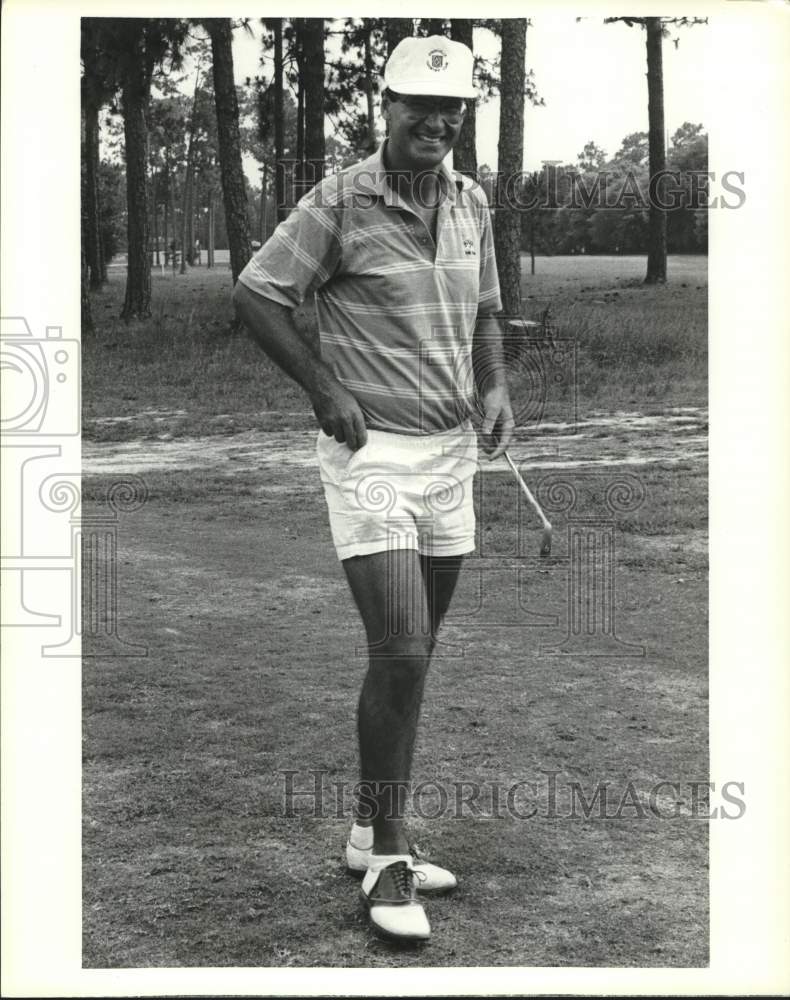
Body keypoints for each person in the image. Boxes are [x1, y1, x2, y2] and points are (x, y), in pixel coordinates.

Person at [232, 35, 514, 943]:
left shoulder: (470, 200)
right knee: (398, 649)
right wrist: (323, 386)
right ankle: (390, 861)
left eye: (452, 109)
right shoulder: (340, 202)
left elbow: (483, 308)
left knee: (417, 651)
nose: (436, 121)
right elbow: (258, 292)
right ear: (384, 108)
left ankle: (368, 830)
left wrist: (497, 384)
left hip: (450, 457)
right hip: (374, 458)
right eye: (418, 106)